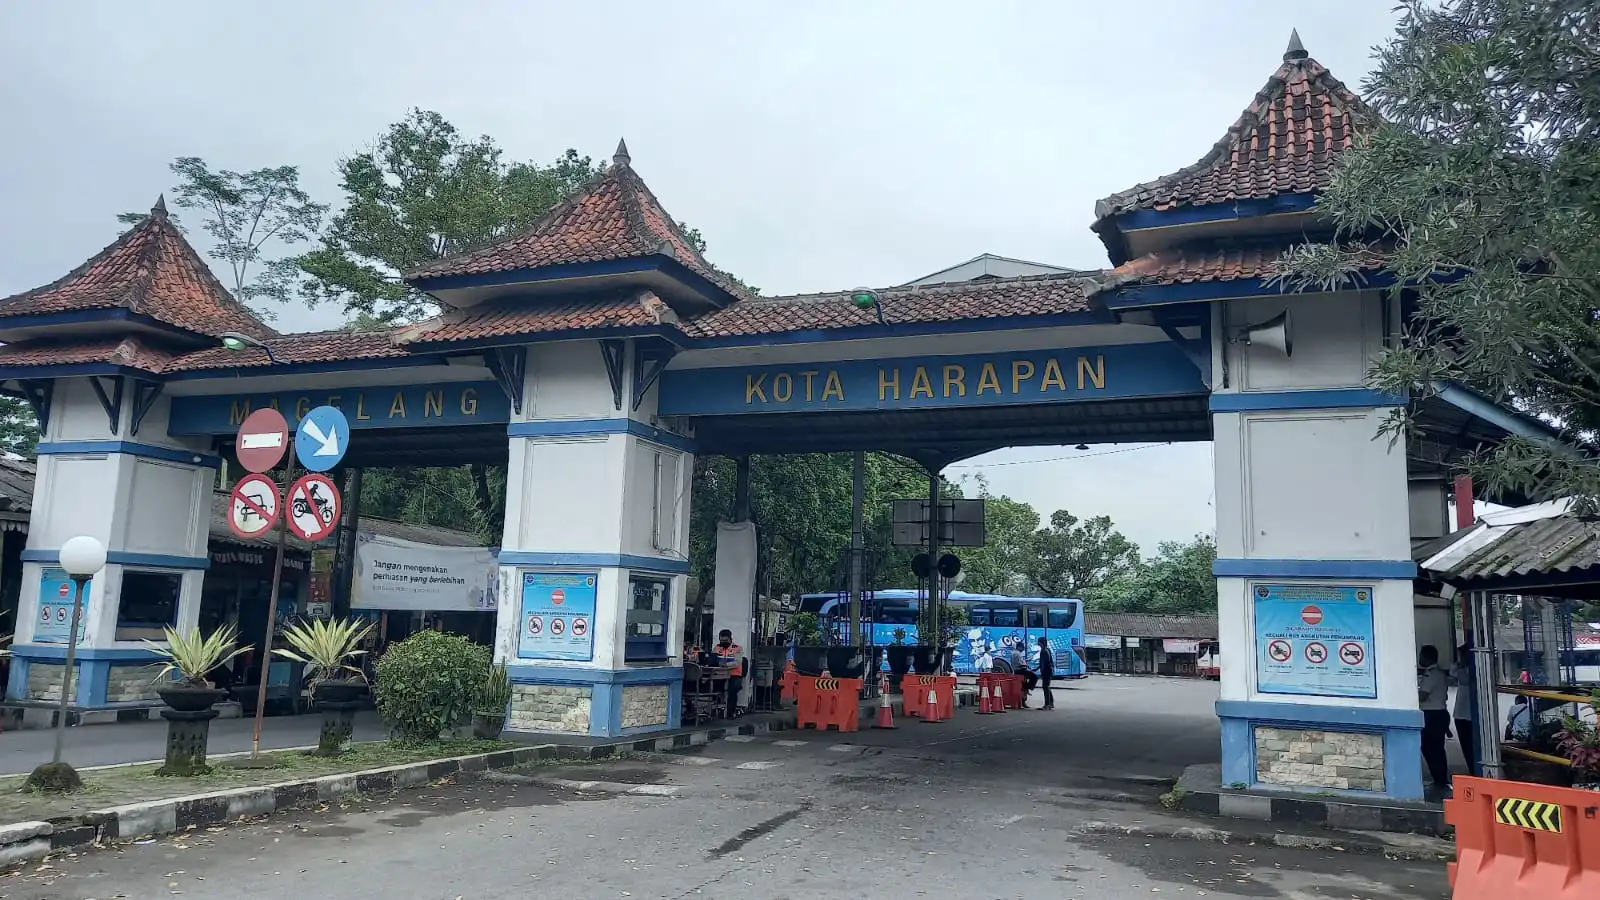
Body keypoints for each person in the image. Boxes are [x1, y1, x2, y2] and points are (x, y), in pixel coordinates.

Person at [1417, 645, 1452, 793]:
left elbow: (1422, 696)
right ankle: (1440, 779)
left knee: (1431, 749)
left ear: (1427, 657)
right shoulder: (1438, 673)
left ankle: (1440, 780)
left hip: (1432, 715)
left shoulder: (1430, 675)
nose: (1419, 658)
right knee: (1436, 749)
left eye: (1422, 655)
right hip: (1439, 714)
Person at [1449, 644, 1476, 777]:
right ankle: (1472, 769)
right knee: (1466, 746)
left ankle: (1474, 769)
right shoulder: (1462, 668)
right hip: (1461, 714)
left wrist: (1461, 665)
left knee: (1470, 746)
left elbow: (1463, 680)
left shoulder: (1471, 669)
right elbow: (1451, 671)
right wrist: (1460, 663)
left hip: (1468, 715)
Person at [715, 629, 745, 716]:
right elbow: (713, 659)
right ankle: (717, 709)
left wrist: (726, 665)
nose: (723, 642)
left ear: (730, 639)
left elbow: (737, 663)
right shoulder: (717, 647)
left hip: (734, 674)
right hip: (719, 674)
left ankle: (731, 712)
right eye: (721, 640)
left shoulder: (737, 648)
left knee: (733, 689)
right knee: (713, 687)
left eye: (725, 640)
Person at [1007, 641, 1037, 705]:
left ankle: (1024, 695)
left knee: (1028, 679)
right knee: (1034, 676)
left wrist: (1025, 661)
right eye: (1022, 648)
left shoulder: (1016, 653)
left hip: (1018, 670)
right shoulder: (1016, 653)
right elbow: (1018, 663)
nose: (1023, 649)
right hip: (1019, 671)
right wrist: (1026, 665)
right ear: (1019, 647)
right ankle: (1027, 687)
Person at [1036, 636, 1056, 711]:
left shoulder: (1044, 651)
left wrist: (1041, 672)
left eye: (1039, 642)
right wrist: (1037, 668)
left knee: (1045, 687)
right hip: (1049, 671)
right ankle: (1051, 703)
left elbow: (1044, 663)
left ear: (1041, 643)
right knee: (1047, 687)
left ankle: (1047, 704)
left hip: (1046, 671)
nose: (1038, 643)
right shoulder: (1047, 650)